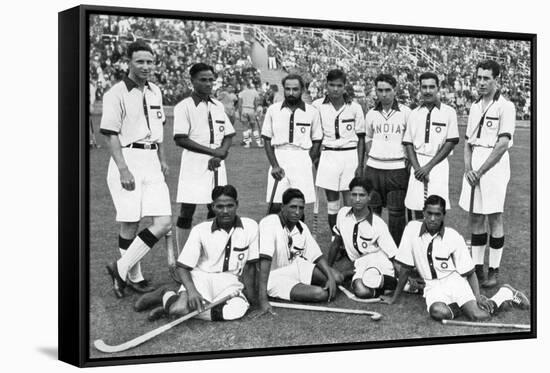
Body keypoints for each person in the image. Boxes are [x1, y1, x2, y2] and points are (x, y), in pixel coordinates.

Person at [382, 195, 529, 321]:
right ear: (423, 213)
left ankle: (504, 293)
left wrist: (477, 297)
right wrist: (394, 298)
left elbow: (470, 273)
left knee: (478, 316)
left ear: (443, 215)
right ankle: (464, 307)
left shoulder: (453, 237)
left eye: (437, 214)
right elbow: (406, 269)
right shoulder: (411, 230)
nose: (433, 218)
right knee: (438, 312)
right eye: (429, 213)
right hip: (432, 286)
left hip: (455, 281)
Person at [100, 41, 172, 298]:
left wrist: (162, 159)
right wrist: (123, 169)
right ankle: (134, 277)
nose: (145, 66)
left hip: (151, 159)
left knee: (163, 222)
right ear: (128, 62)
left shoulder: (156, 91)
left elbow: (160, 131)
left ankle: (119, 267)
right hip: (127, 158)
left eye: (149, 62)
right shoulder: (115, 93)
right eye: (140, 61)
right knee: (130, 221)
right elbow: (110, 135)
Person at [134, 185, 258, 321]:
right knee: (181, 308)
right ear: (212, 207)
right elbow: (182, 266)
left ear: (237, 205)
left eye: (230, 206)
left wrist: (251, 298)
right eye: (220, 207)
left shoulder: (251, 226)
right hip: (201, 278)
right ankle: (167, 294)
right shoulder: (200, 230)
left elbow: (250, 266)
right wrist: (192, 291)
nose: (225, 211)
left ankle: (170, 304)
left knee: (235, 311)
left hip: (231, 281)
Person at [458, 61, 517, 288]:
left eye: (486, 78)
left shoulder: (506, 106)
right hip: (473, 168)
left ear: (496, 79)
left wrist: (480, 171)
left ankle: (493, 269)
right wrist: (467, 170)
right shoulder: (474, 106)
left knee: (494, 216)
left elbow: (502, 144)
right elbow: (467, 143)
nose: (481, 82)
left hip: (494, 167)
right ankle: (477, 268)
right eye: (479, 78)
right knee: (475, 216)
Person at [173, 63, 236, 256]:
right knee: (187, 210)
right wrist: (212, 152)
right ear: (192, 81)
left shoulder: (217, 106)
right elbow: (180, 138)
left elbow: (228, 134)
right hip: (194, 162)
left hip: (217, 164)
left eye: (211, 80)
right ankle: (184, 256)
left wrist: (222, 152)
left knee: (216, 206)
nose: (208, 84)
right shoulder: (184, 106)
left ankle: (211, 251)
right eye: (203, 79)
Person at [256, 188, 344, 315]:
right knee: (320, 294)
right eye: (293, 207)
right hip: (274, 276)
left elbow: (317, 256)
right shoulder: (269, 223)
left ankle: (344, 275)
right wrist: (262, 299)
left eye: (301, 208)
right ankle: (300, 287)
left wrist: (330, 277)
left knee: (337, 277)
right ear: (282, 207)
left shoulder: (301, 226)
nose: (297, 212)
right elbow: (265, 260)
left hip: (295, 266)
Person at [312, 69, 365, 237]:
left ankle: (350, 236)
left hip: (349, 155)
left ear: (345, 86)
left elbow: (361, 138)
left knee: (350, 200)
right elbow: (314, 135)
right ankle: (336, 236)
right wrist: (315, 159)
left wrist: (360, 164)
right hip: (328, 155)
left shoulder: (354, 107)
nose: (335, 89)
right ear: (326, 85)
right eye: (332, 85)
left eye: (339, 85)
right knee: (332, 201)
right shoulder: (317, 105)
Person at [327, 177, 398, 298]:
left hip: (378, 261)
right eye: (354, 195)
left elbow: (393, 255)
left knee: (364, 287)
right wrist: (328, 271)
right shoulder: (342, 214)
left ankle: (399, 283)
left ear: (369, 196)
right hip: (359, 264)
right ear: (349, 196)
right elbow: (336, 243)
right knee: (360, 289)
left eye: (362, 195)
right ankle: (382, 287)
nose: (357, 199)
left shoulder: (378, 224)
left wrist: (402, 274)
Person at [261, 74, 322, 213]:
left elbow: (317, 140)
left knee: (298, 206)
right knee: (275, 205)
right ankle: (274, 234)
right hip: (279, 156)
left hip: (302, 156)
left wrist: (308, 160)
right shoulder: (273, 110)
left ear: (302, 89)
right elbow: (267, 139)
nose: (291, 93)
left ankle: (297, 235)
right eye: (287, 89)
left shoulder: (312, 112)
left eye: (295, 89)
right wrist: (274, 165)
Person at [402, 72, 459, 218]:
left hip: (438, 164)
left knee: (437, 208)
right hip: (417, 164)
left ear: (438, 88)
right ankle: (419, 239)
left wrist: (429, 167)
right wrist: (417, 168)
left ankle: (437, 240)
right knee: (416, 207)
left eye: (431, 87)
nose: (428, 91)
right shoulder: (414, 113)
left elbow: (451, 142)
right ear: (419, 88)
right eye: (424, 87)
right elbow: (408, 143)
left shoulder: (449, 112)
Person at [364, 73, 411, 245]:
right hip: (374, 168)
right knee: (372, 211)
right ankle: (372, 248)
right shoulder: (370, 114)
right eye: (380, 90)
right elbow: (368, 137)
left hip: (397, 168)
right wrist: (374, 154)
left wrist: (405, 159)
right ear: (375, 91)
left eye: (388, 90)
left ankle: (396, 253)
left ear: (395, 90)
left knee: (396, 212)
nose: (384, 94)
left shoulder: (406, 113)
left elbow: (410, 140)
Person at [238, 81, 263, 148]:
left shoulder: (241, 93)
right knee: (254, 127)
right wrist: (256, 111)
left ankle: (247, 143)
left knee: (245, 127)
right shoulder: (254, 92)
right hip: (251, 110)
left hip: (244, 109)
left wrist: (240, 114)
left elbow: (239, 104)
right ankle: (258, 143)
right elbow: (256, 103)